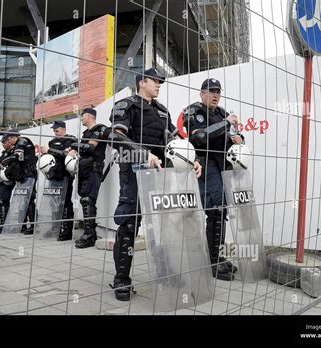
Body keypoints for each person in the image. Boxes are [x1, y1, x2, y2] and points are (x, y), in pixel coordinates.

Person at [108, 68, 202, 301]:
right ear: (141, 82)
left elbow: (175, 140)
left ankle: (165, 272)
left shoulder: (161, 111)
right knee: (129, 223)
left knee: (162, 225)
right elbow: (115, 137)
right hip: (134, 172)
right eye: (155, 81)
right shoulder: (126, 105)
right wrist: (142, 154)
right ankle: (122, 278)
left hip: (160, 175)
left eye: (161, 81)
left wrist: (193, 159)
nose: (159, 85)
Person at [183, 78, 243, 281]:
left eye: (218, 91)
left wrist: (239, 139)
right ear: (202, 93)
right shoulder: (193, 111)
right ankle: (213, 262)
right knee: (215, 211)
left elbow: (235, 134)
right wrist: (226, 123)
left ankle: (216, 256)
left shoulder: (222, 113)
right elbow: (199, 138)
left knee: (222, 212)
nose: (216, 95)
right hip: (206, 164)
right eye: (211, 91)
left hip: (223, 166)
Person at [67, 108, 106, 249]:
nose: (81, 118)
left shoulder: (99, 129)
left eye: (82, 116)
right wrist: (74, 149)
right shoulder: (86, 133)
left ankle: (89, 235)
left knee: (88, 200)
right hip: (84, 169)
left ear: (89, 116)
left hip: (94, 169)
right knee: (84, 200)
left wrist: (73, 145)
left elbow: (90, 148)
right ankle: (90, 233)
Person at [0, 130, 38, 235]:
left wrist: (5, 160)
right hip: (23, 175)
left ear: (13, 137)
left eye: (8, 139)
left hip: (29, 174)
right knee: (23, 200)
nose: (8, 142)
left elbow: (16, 157)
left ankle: (34, 226)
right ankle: (23, 225)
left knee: (29, 199)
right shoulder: (17, 145)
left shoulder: (22, 141)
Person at [40, 120, 77, 241]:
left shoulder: (71, 140)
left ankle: (66, 231)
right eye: (54, 130)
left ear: (63, 128)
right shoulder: (51, 141)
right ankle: (55, 228)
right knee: (53, 204)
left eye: (57, 130)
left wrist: (49, 150)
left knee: (65, 203)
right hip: (53, 175)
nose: (55, 132)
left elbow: (66, 155)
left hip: (65, 175)